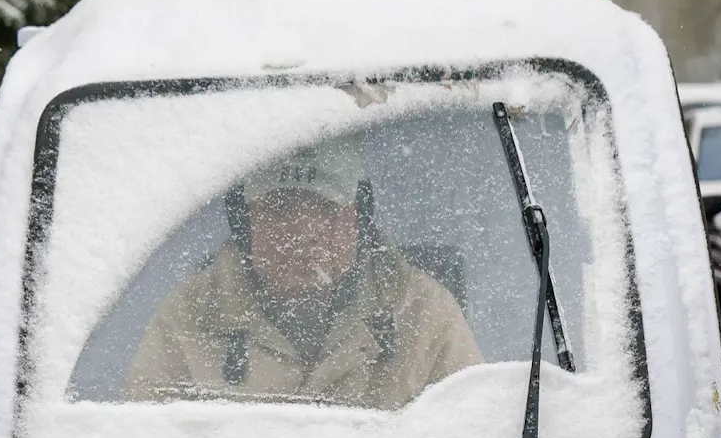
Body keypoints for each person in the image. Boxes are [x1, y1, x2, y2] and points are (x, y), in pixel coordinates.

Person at [125, 140, 482, 409]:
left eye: (325, 208)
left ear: (360, 215)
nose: (302, 231)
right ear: (244, 222)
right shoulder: (184, 323)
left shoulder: (427, 316)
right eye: (281, 209)